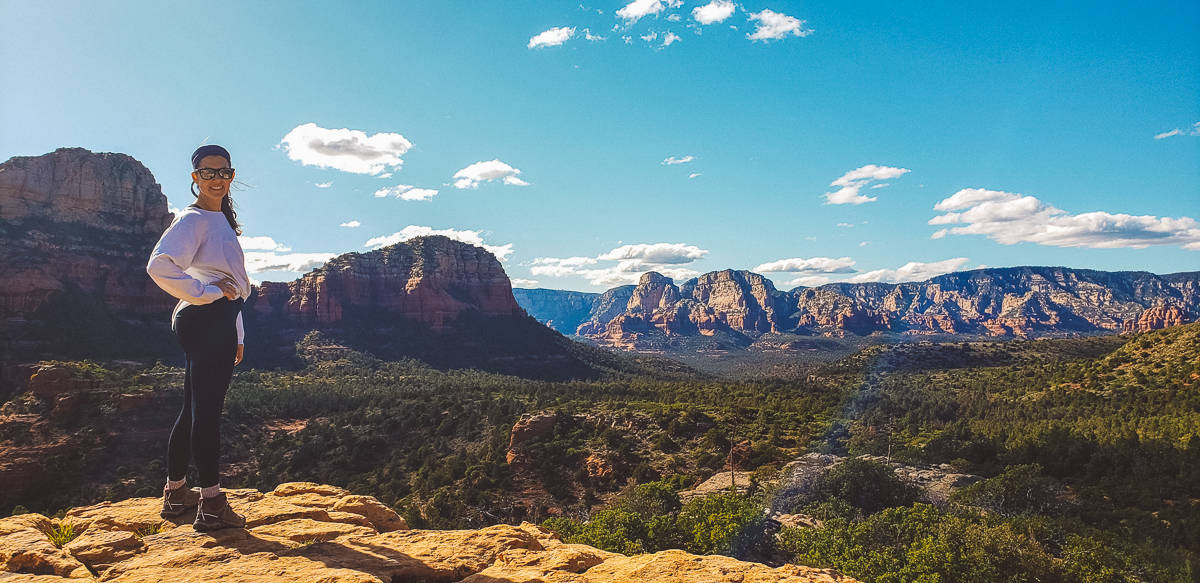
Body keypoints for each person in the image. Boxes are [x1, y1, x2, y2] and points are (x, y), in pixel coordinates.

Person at [145, 144, 250, 531]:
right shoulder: (193, 220)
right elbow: (160, 265)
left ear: (231, 175)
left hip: (212, 320)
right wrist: (206, 296)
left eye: (224, 172)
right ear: (195, 178)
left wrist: (236, 330)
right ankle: (211, 505)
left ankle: (176, 495)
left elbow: (231, 283)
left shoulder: (217, 218)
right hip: (206, 319)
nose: (217, 179)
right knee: (208, 414)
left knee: (192, 409)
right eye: (208, 173)